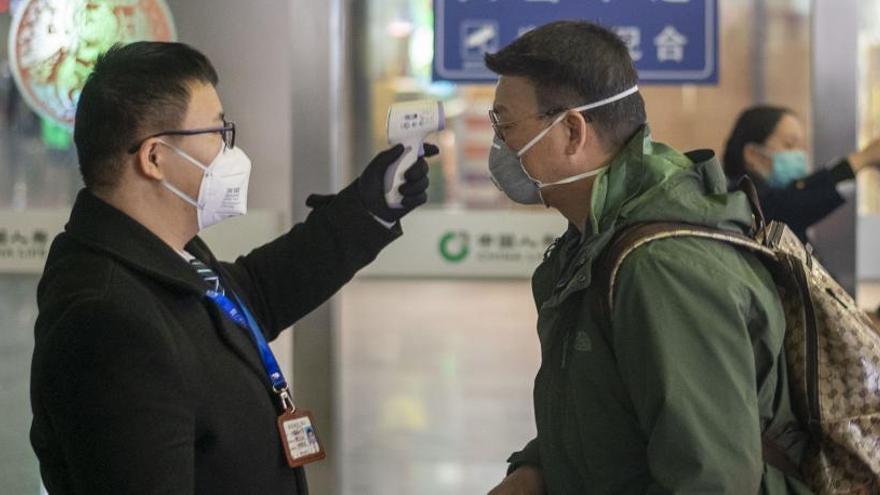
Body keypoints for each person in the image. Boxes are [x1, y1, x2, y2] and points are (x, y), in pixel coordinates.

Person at [29, 42, 437, 494]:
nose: (230, 151)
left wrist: (371, 206)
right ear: (155, 158)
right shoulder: (106, 321)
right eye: (217, 133)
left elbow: (254, 294)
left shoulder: (164, 255)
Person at [484, 21, 811, 494]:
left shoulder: (663, 266)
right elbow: (610, 410)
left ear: (572, 131)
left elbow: (711, 481)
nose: (501, 146)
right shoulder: (596, 239)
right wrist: (536, 471)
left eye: (506, 124)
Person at [723, 105, 880, 242]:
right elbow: (793, 203)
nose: (799, 155)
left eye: (801, 146)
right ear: (753, 154)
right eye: (789, 145)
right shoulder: (743, 203)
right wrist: (863, 158)